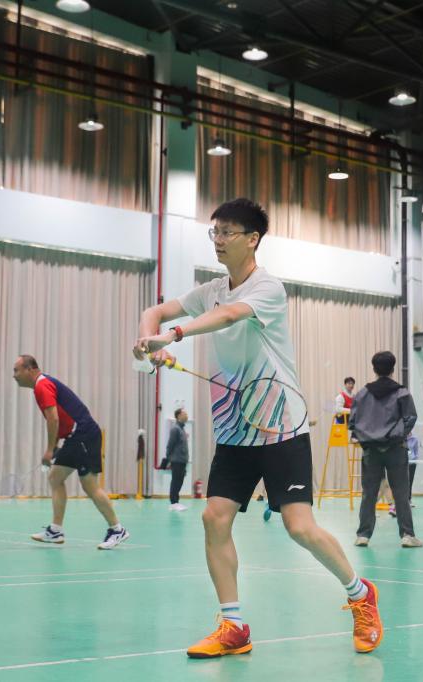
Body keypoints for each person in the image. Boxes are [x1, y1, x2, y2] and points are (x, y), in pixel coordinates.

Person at [133, 198, 382, 659]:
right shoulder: (210, 290)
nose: (218, 240)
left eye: (227, 232)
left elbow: (229, 315)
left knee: (299, 527)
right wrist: (149, 339)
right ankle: (234, 626)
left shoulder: (268, 288)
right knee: (214, 518)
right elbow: (156, 311)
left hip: (280, 425)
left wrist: (173, 336)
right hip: (234, 430)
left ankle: (359, 593)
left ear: (252, 239)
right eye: (214, 232)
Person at [12, 355, 128, 549]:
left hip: (84, 435)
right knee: (55, 477)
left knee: (90, 485)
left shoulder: (42, 386)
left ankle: (117, 529)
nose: (14, 375)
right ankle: (56, 531)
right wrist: (56, 444)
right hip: (74, 437)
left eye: (17, 370)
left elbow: (53, 419)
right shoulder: (42, 386)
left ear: (30, 369)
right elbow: (59, 418)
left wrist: (50, 450)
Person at [350, 351, 422, 549]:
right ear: (393, 368)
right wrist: (397, 434)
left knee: (369, 494)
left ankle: (363, 535)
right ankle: (407, 535)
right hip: (396, 448)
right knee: (401, 493)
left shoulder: (362, 394)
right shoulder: (402, 393)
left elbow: (353, 422)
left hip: (370, 450)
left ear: (374, 369)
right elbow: (410, 418)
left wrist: (367, 437)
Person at [166, 408, 190, 511]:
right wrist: (169, 458)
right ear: (179, 416)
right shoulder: (175, 429)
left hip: (182, 461)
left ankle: (176, 502)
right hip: (176, 461)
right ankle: (173, 503)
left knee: (180, 481)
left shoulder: (182, 429)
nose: (187, 416)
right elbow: (170, 445)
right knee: (176, 481)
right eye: (185, 413)